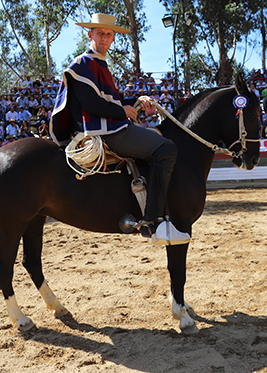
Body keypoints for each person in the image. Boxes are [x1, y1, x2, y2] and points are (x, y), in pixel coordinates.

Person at [49, 13, 189, 244]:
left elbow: (114, 100)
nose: (105, 38)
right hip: (105, 131)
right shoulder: (83, 63)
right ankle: (155, 222)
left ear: (113, 38)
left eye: (109, 34)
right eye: (100, 34)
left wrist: (137, 99)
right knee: (166, 150)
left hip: (110, 125)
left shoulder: (98, 64)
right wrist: (123, 111)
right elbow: (91, 103)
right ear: (90, 35)